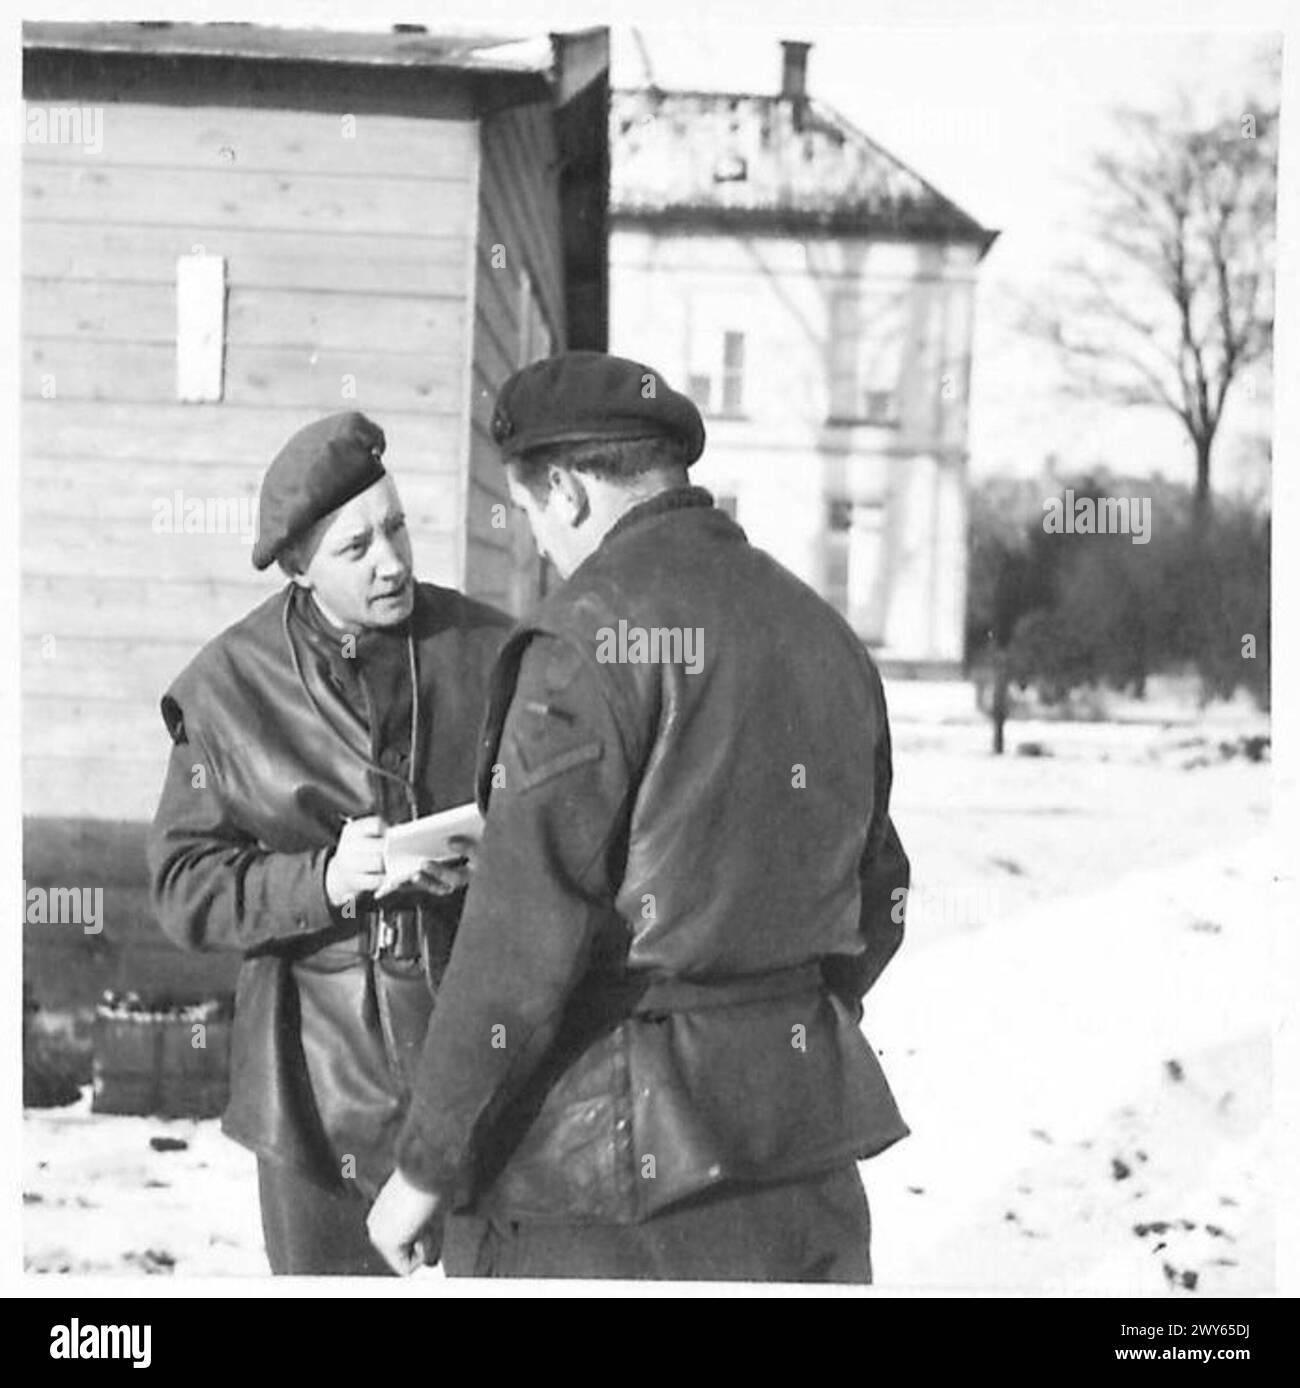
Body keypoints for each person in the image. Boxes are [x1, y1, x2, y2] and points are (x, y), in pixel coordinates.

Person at [368, 353, 910, 1281]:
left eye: (533, 512)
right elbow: (881, 891)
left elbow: (518, 944)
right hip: (803, 1158)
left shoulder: (586, 638)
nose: (539, 541)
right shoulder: (823, 632)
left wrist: (424, 1165)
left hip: (605, 1194)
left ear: (569, 493)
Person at [147, 411, 511, 1274]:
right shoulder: (228, 691)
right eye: (356, 549)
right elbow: (184, 886)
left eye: (396, 528)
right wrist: (325, 880)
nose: (391, 561)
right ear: (301, 570)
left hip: (478, 1075)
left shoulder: (490, 650)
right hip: (314, 1097)